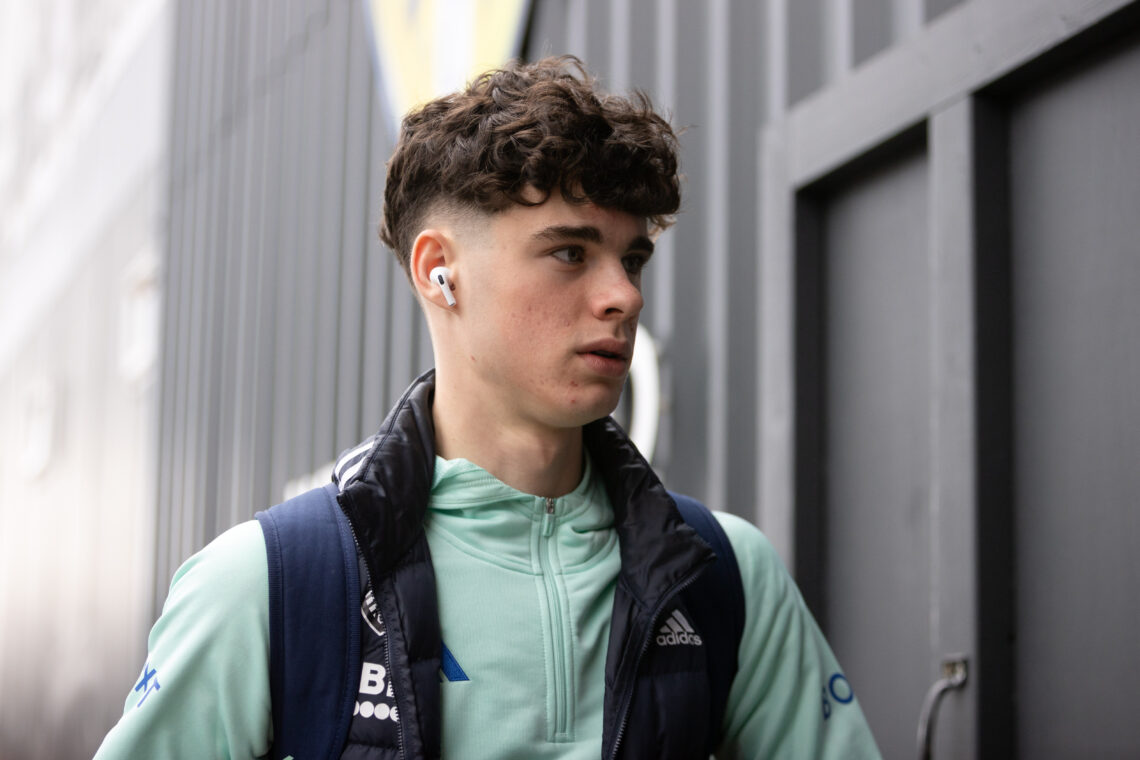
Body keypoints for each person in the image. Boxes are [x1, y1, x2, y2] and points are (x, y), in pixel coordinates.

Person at [95, 56, 881, 759]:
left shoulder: (725, 575)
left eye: (632, 258)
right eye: (570, 252)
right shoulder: (268, 584)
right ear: (440, 272)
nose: (624, 295)